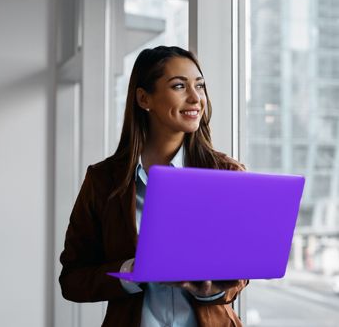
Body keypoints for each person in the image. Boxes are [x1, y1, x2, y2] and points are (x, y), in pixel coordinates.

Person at [59, 46, 249, 327]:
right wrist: (131, 272)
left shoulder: (227, 174)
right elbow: (72, 280)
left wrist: (211, 290)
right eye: (179, 86)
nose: (196, 98)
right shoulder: (103, 180)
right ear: (144, 98)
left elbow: (241, 272)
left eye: (200, 86)